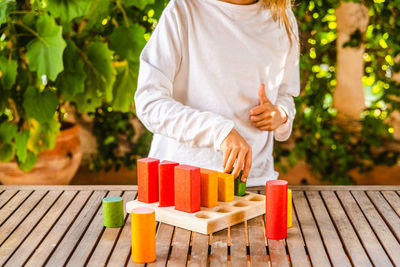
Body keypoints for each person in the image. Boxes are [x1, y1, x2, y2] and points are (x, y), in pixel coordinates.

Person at [135, 0, 300, 187]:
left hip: (255, 183)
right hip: (181, 183)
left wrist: (281, 115)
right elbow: (149, 102)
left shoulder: (282, 17)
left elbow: (286, 94)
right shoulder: (183, 9)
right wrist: (219, 132)